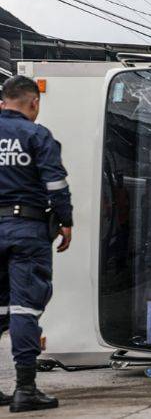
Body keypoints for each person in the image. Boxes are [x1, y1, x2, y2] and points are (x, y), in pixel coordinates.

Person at [0, 75, 72, 412]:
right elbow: (55, 183)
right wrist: (66, 220)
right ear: (34, 103)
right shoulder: (36, 134)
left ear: (3, 102)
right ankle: (25, 389)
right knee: (25, 307)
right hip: (26, 229)